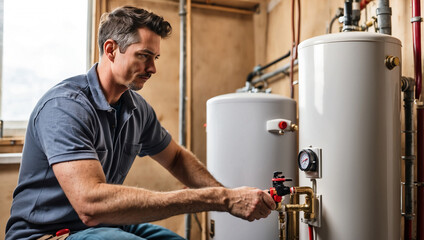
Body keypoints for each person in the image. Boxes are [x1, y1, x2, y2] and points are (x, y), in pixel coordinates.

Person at [5, 6, 276, 240]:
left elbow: (177, 159)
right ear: (111, 50)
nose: (153, 68)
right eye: (144, 55)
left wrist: (227, 195)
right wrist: (221, 200)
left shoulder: (136, 109)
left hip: (100, 224)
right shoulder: (65, 107)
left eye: (155, 58)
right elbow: (91, 205)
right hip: (48, 233)